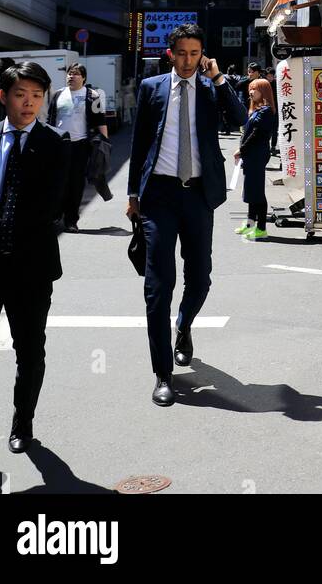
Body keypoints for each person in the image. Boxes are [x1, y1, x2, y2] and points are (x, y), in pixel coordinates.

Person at [126, 23, 246, 407]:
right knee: (157, 286)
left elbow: (241, 117)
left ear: (203, 55)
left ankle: (185, 324)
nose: (188, 61)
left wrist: (220, 78)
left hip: (198, 195)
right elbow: (140, 142)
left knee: (200, 279)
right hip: (158, 194)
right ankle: (163, 373)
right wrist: (133, 193)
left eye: (195, 54)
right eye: (182, 53)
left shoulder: (213, 88)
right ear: (170, 53)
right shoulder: (152, 88)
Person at [0, 61, 70, 472]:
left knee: (29, 351)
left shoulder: (55, 142)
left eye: (37, 96)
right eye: (21, 95)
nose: (29, 104)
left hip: (30, 265)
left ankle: (22, 421)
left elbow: (51, 206)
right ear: (3, 97)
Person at [47, 64, 108, 231]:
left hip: (80, 146)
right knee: (57, 181)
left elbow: (100, 121)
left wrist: (105, 145)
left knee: (75, 184)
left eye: (75, 74)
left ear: (84, 78)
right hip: (59, 145)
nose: (71, 77)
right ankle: (55, 215)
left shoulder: (93, 96)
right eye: (69, 74)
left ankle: (71, 220)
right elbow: (50, 119)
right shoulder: (58, 94)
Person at [234, 80, 277, 241]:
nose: (251, 92)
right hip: (252, 154)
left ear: (264, 91)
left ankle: (261, 228)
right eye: (250, 89)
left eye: (255, 89)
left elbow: (256, 135)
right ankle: (251, 224)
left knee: (257, 192)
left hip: (257, 154)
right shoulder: (257, 109)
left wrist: (241, 149)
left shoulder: (266, 111)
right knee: (252, 190)